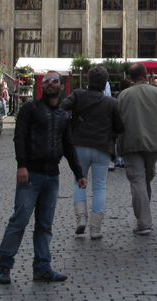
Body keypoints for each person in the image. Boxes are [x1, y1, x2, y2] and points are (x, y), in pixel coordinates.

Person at [0, 71, 86, 285]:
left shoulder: (63, 115)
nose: (51, 84)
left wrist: (79, 173)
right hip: (32, 174)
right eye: (47, 81)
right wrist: (22, 165)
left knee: (45, 225)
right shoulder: (30, 109)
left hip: (52, 175)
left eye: (55, 81)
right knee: (19, 221)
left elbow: (68, 145)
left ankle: (42, 268)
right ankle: (4, 265)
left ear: (61, 85)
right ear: (42, 86)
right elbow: (20, 138)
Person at [61, 65, 124, 240]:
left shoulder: (78, 95)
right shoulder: (111, 102)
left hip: (79, 145)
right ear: (105, 84)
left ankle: (81, 218)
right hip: (102, 147)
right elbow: (120, 127)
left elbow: (63, 107)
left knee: (78, 182)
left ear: (88, 80)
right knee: (99, 187)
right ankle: (95, 228)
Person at [117, 62, 157, 236]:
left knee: (138, 180)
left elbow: (117, 123)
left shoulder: (123, 95)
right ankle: (144, 219)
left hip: (131, 143)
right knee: (145, 179)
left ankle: (143, 221)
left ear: (130, 77)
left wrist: (115, 146)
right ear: (146, 74)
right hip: (153, 144)